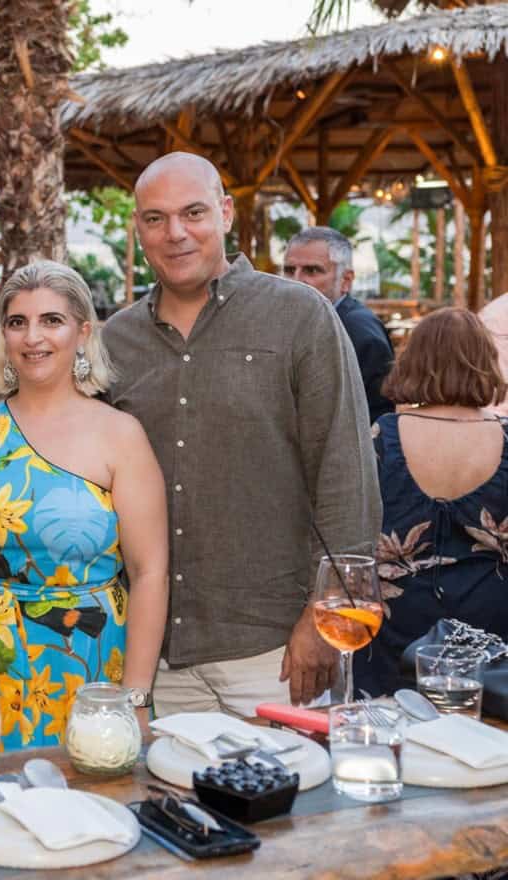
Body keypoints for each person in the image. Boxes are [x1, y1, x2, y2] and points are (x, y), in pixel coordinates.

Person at [103, 152, 381, 716]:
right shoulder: (116, 341)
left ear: (225, 213)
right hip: (155, 655)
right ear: (138, 229)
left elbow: (345, 470)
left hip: (276, 651)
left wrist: (325, 615)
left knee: (296, 779)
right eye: (155, 218)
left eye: (193, 212)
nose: (175, 233)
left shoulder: (300, 316)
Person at [0, 260, 169, 750]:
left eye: (51, 320)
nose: (32, 337)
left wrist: (136, 700)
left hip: (87, 662)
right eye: (17, 322)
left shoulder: (120, 435)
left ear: (82, 332)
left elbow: (149, 573)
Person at [355, 308, 508, 696]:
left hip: (395, 620)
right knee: (479, 723)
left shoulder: (383, 435)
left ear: (415, 361)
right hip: (487, 625)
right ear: (486, 362)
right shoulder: (505, 439)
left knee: (389, 722)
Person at [284, 227, 394, 424]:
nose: (296, 280)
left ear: (346, 280)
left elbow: (375, 416)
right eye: (290, 270)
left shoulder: (359, 331)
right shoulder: (292, 320)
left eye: (312, 270)